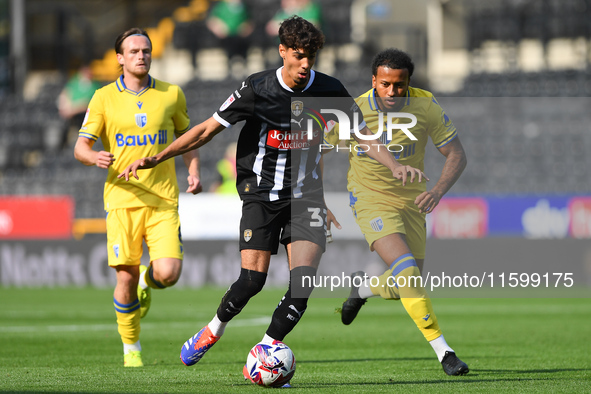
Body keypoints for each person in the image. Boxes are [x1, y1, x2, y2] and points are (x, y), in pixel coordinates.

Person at [117, 16, 424, 377]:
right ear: (282, 52)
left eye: (311, 56)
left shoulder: (329, 90)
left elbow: (364, 136)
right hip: (261, 195)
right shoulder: (256, 89)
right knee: (252, 280)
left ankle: (265, 351)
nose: (305, 64)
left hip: (306, 198)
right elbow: (205, 131)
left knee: (303, 286)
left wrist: (394, 166)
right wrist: (157, 157)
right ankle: (213, 330)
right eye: (298, 55)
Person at [324, 48, 469, 376]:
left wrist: (437, 191)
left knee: (408, 281)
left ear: (408, 82)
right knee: (406, 271)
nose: (392, 91)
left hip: (414, 203)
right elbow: (315, 145)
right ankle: (445, 352)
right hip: (370, 201)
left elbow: (456, 154)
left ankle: (361, 288)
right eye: (385, 84)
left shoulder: (426, 105)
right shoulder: (354, 111)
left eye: (399, 85)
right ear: (374, 80)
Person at [73, 27, 202, 367]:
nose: (141, 55)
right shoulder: (103, 97)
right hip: (122, 199)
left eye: (145, 50)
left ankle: (149, 280)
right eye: (133, 51)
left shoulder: (171, 93)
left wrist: (193, 170)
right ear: (120, 58)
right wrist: (94, 157)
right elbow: (80, 146)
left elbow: (187, 138)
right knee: (124, 277)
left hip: (163, 199)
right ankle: (131, 347)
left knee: (169, 273)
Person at [57, 65, 102, 150]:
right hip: (69, 112)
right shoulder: (75, 82)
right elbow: (66, 93)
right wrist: (65, 106)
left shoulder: (94, 86)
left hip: (82, 115)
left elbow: (86, 104)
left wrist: (72, 110)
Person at [206, 0, 254, 67]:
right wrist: (219, 28)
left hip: (240, 37)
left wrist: (246, 28)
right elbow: (212, 20)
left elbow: (250, 20)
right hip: (226, 37)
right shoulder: (221, 5)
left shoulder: (244, 5)